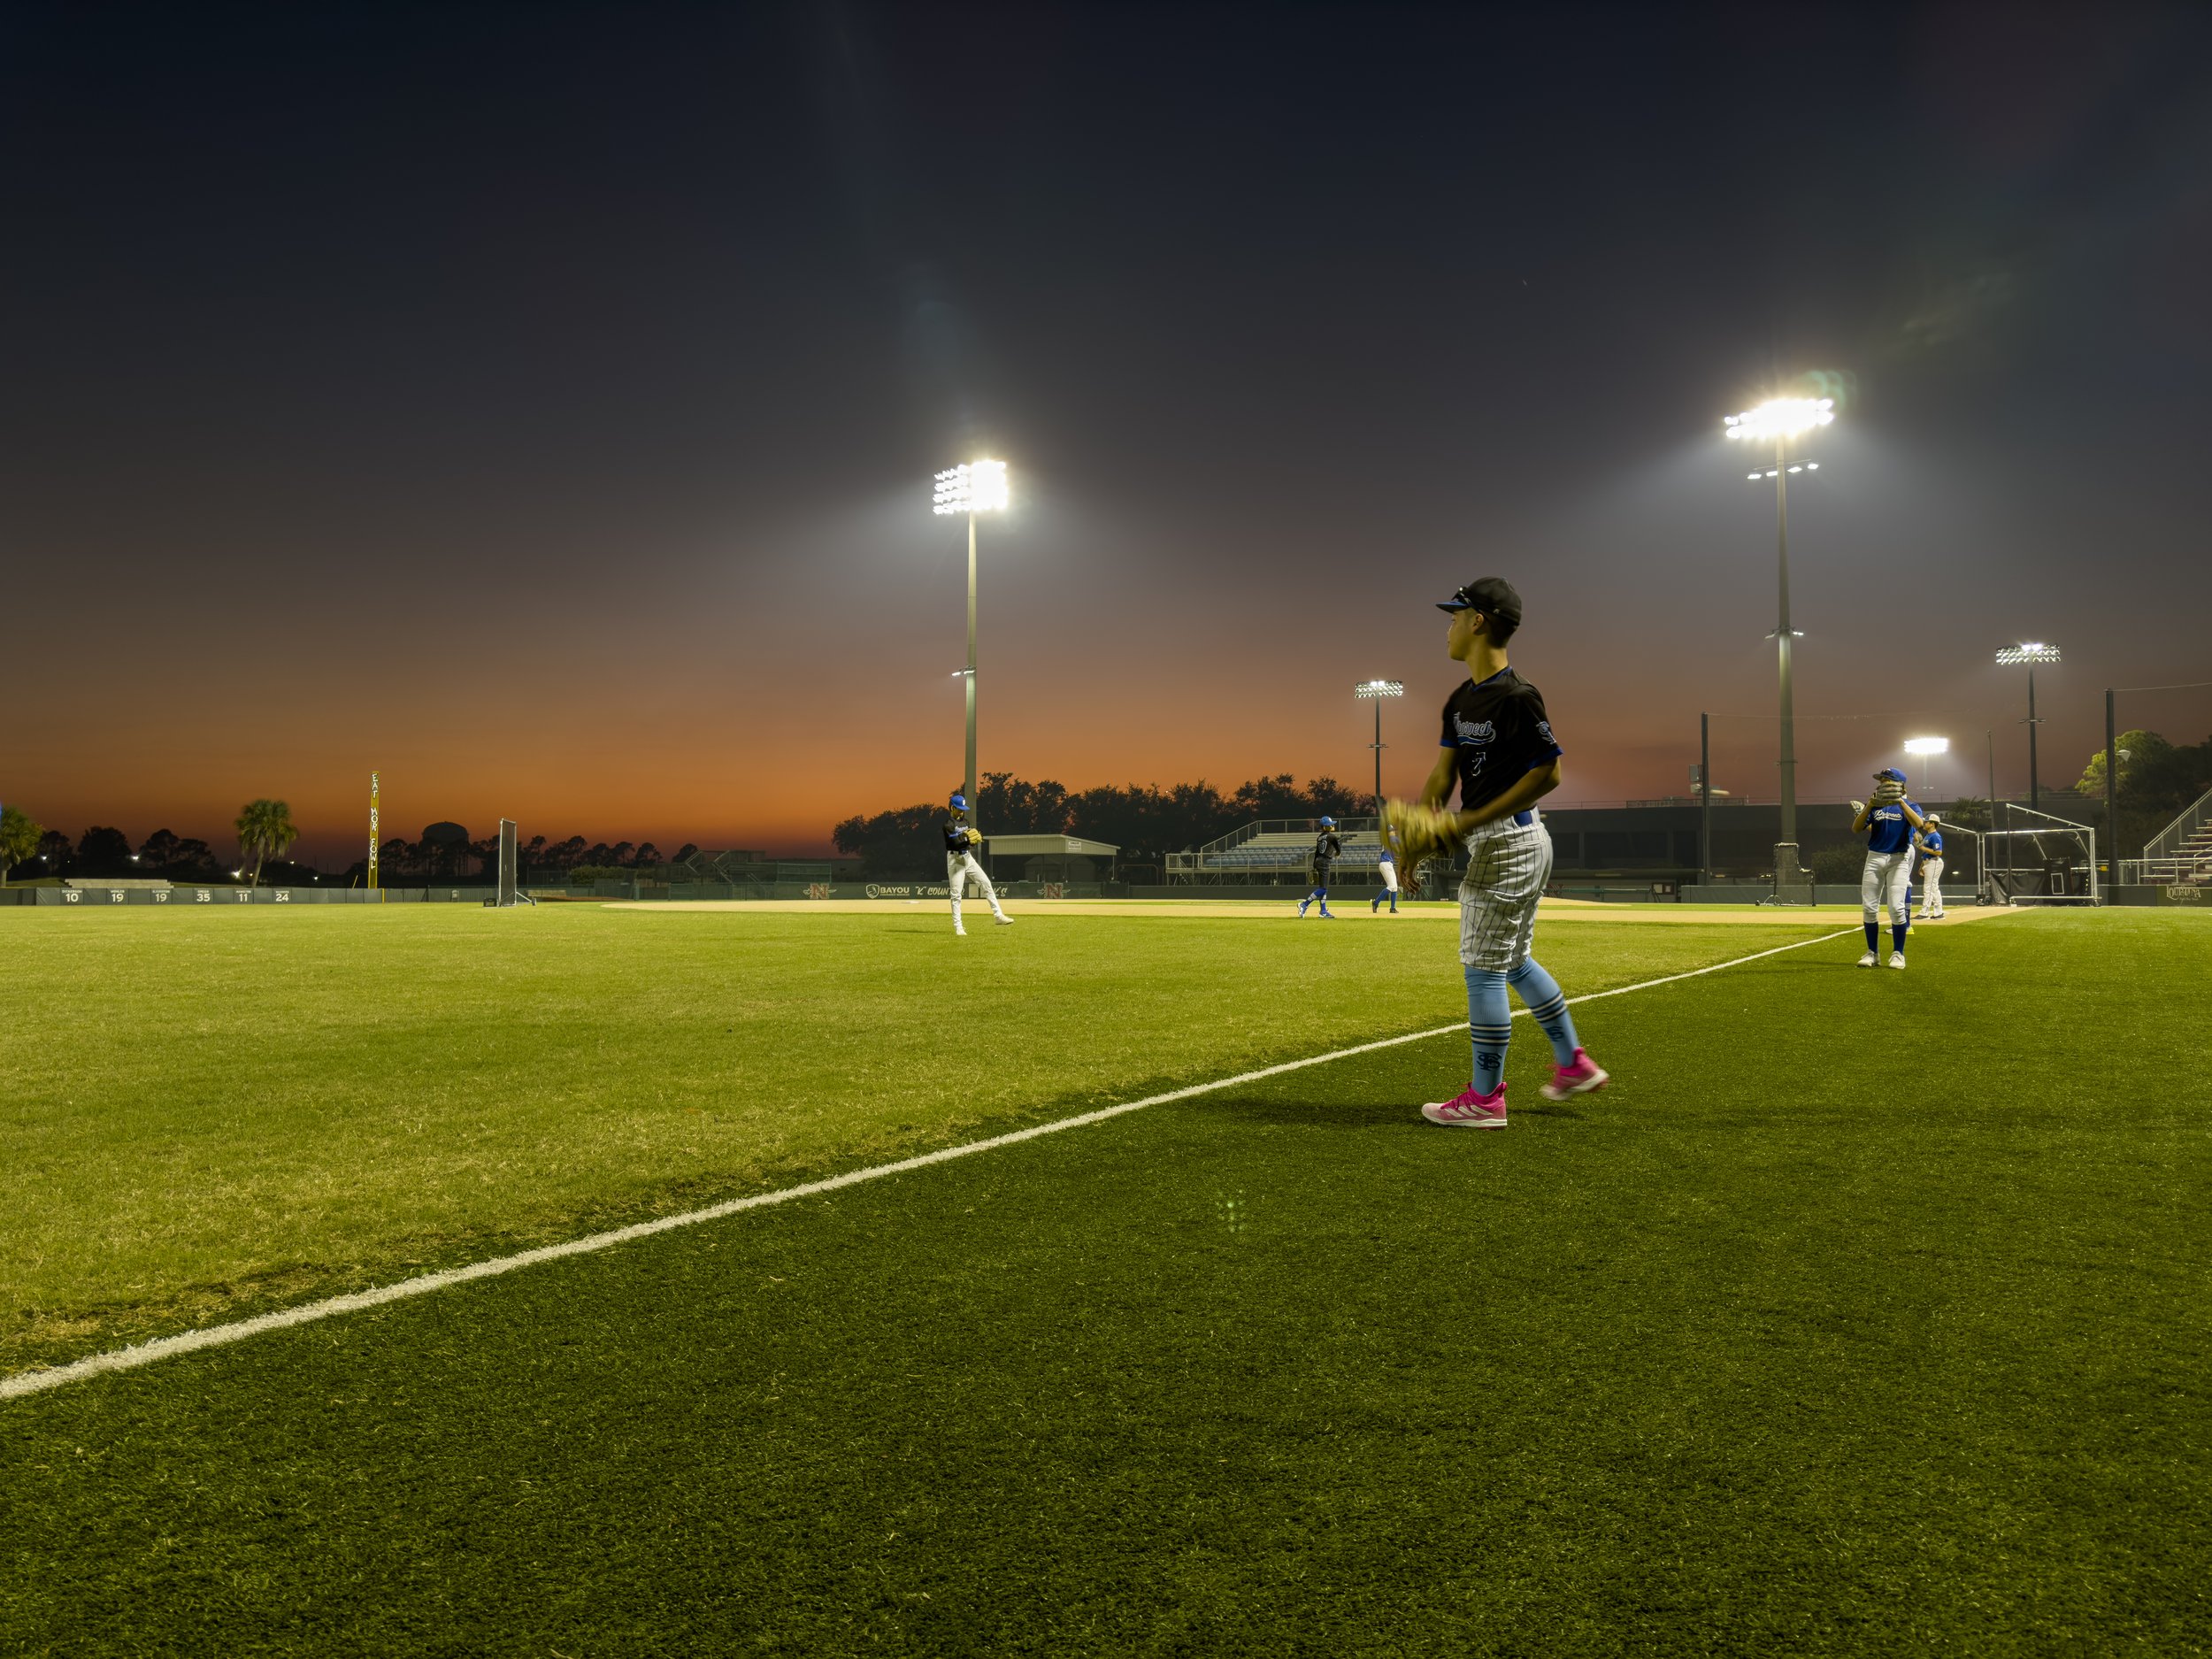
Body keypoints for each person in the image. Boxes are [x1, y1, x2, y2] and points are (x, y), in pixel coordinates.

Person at [1415, 577, 1608, 1129]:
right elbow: (1441, 775)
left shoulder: (1518, 696)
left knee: (1483, 970)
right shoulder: (1460, 698)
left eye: (1455, 616)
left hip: (1508, 840)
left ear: (1478, 621)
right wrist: (1423, 830)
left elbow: (1549, 771)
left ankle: (1485, 1099)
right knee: (1513, 961)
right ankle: (1572, 1063)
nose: (1448, 627)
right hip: (1509, 840)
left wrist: (1471, 819)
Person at [1850, 770, 1929, 968]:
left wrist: (1901, 801)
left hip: (1899, 858)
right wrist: (1869, 805)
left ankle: (1898, 954)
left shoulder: (1910, 805)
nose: (1883, 783)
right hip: (1875, 857)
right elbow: (1857, 828)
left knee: (1896, 907)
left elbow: (1919, 824)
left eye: (1888, 781)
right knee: (1869, 908)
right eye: (1882, 781)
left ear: (1900, 785)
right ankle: (1872, 953)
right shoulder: (1876, 805)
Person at [942, 792, 1012, 937]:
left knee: (986, 884)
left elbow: (968, 843)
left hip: (967, 858)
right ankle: (958, 927)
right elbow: (955, 844)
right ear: (952, 808)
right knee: (956, 896)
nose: (962, 811)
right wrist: (968, 840)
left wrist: (972, 842)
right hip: (955, 861)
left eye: (963, 809)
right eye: (959, 809)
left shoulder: (965, 822)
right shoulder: (948, 825)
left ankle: (998, 915)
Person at [1298, 817, 1342, 918]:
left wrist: (1314, 866)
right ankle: (1304, 904)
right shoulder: (1332, 836)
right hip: (1325, 862)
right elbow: (1338, 849)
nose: (1333, 826)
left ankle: (1323, 911)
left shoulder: (1319, 837)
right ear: (1326, 827)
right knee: (1323, 889)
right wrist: (1337, 854)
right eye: (1331, 824)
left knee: (1324, 888)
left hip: (1318, 861)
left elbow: (1316, 853)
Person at [1914, 813, 1947, 920]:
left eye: (1927, 822)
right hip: (1928, 862)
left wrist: (1922, 847)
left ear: (1932, 824)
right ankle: (1939, 913)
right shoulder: (1928, 836)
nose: (1924, 823)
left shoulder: (1935, 836)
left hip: (1934, 862)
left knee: (1928, 888)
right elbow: (1926, 853)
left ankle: (1924, 913)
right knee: (1934, 888)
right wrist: (1921, 867)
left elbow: (1938, 852)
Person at [1371, 836, 1401, 913]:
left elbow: (1396, 857)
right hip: (1386, 864)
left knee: (1395, 887)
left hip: (1387, 864)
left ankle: (1392, 908)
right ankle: (1376, 903)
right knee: (1391, 886)